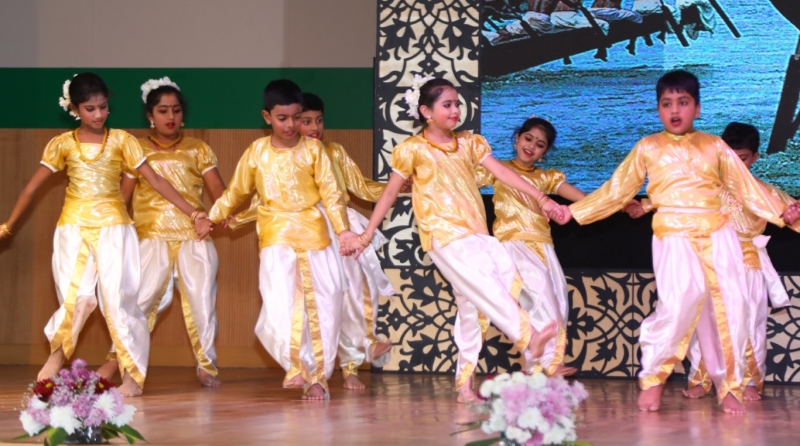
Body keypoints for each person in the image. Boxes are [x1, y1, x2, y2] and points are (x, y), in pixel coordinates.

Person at [559, 70, 796, 414]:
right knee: (676, 305)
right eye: (666, 103)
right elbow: (616, 190)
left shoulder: (714, 146)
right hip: (673, 237)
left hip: (717, 235)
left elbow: (746, 188)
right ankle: (654, 378)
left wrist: (782, 212)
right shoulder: (648, 147)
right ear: (658, 109)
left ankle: (729, 386)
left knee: (728, 310)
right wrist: (573, 212)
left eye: (683, 102)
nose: (674, 109)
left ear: (697, 109)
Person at [341, 76, 559, 403]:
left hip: (475, 232)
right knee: (487, 285)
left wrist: (542, 199)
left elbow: (503, 173)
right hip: (443, 236)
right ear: (427, 112)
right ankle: (527, 336)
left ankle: (464, 383)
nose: (456, 109)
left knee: (472, 307)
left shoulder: (470, 143)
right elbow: (388, 194)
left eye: (457, 103)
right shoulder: (412, 149)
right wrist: (365, 234)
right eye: (447, 104)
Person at [0, 73, 212, 396]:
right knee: (78, 298)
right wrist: (7, 225)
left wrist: (194, 212)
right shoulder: (62, 144)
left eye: (103, 107)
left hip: (115, 229)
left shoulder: (123, 141)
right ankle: (57, 354)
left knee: (119, 301)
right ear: (74, 109)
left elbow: (157, 181)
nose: (98, 114)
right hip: (73, 228)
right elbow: (31, 188)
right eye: (90, 109)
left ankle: (132, 376)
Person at [206, 79, 359, 400]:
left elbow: (332, 194)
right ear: (266, 117)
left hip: (315, 237)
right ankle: (296, 364)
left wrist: (343, 230)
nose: (290, 125)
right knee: (278, 304)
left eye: (296, 117)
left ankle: (317, 377)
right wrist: (214, 216)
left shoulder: (314, 150)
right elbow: (236, 191)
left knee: (324, 305)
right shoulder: (257, 152)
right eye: (282, 118)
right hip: (275, 235)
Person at [97, 77, 227, 388]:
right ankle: (119, 360)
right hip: (149, 237)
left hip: (194, 238)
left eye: (176, 110)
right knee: (138, 303)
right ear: (150, 115)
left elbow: (219, 192)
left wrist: (215, 216)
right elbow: (123, 198)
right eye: (163, 111)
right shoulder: (137, 150)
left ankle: (206, 366)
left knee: (202, 303)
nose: (171, 117)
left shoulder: (198, 149)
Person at [676, 123, 799, 402]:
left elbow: (790, 214)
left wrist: (790, 216)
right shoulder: (705, 188)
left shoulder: (765, 192)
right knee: (705, 323)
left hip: (747, 265)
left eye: (741, 158)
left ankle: (749, 381)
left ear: (755, 157)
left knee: (750, 323)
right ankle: (702, 379)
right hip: (710, 262)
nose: (734, 164)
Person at [478, 116, 585, 378]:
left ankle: (535, 370)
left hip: (544, 248)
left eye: (540, 144)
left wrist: (614, 203)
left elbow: (582, 199)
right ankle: (549, 362)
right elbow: (459, 180)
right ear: (517, 139)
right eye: (528, 139)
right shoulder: (497, 169)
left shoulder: (546, 178)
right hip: (514, 245)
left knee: (557, 301)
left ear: (544, 152)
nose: (531, 146)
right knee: (540, 300)